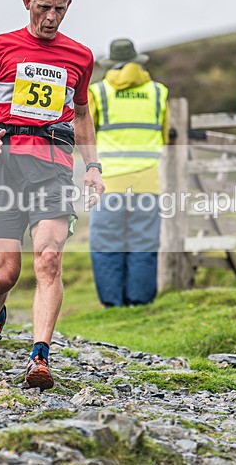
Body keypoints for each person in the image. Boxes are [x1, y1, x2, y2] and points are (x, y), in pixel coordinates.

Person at [0, 0, 104, 390]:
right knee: (5, 274)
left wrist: (92, 166)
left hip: (55, 164)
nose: (51, 17)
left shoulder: (80, 56)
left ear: (68, 7)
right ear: (27, 2)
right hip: (5, 165)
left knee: (49, 259)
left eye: (59, 9)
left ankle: (40, 357)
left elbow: (83, 112)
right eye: (43, 7)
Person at [88, 38, 170, 307]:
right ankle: (139, 302)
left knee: (106, 242)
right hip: (150, 181)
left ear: (110, 64)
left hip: (109, 184)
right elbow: (167, 135)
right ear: (137, 62)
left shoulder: (98, 92)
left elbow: (85, 133)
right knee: (144, 242)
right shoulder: (159, 92)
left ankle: (112, 304)